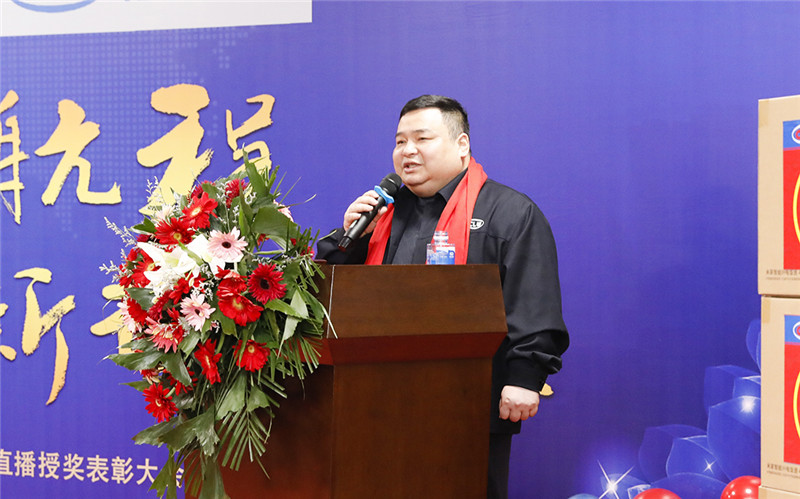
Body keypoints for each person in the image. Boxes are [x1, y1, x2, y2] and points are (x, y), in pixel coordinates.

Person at [316, 95, 569, 499]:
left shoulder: (508, 212)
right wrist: (349, 241)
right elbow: (337, 299)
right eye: (400, 141)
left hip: (469, 401)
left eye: (422, 139)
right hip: (375, 402)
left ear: (462, 144)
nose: (407, 151)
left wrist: (525, 377)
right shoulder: (382, 214)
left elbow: (533, 298)